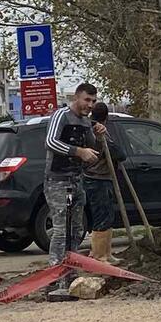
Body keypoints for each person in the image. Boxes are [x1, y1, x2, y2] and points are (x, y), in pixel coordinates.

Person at [44, 83, 106, 272]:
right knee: (62, 229)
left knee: (77, 229)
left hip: (76, 180)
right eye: (87, 100)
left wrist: (97, 136)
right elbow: (50, 141)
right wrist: (78, 151)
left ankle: (70, 268)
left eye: (93, 101)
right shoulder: (61, 116)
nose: (90, 104)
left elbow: (93, 151)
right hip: (58, 181)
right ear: (76, 98)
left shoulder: (87, 122)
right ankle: (55, 273)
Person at [83, 101, 122, 264]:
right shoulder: (97, 132)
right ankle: (99, 256)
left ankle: (106, 252)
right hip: (97, 179)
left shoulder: (93, 129)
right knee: (102, 216)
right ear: (105, 118)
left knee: (107, 215)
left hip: (102, 177)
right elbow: (118, 153)